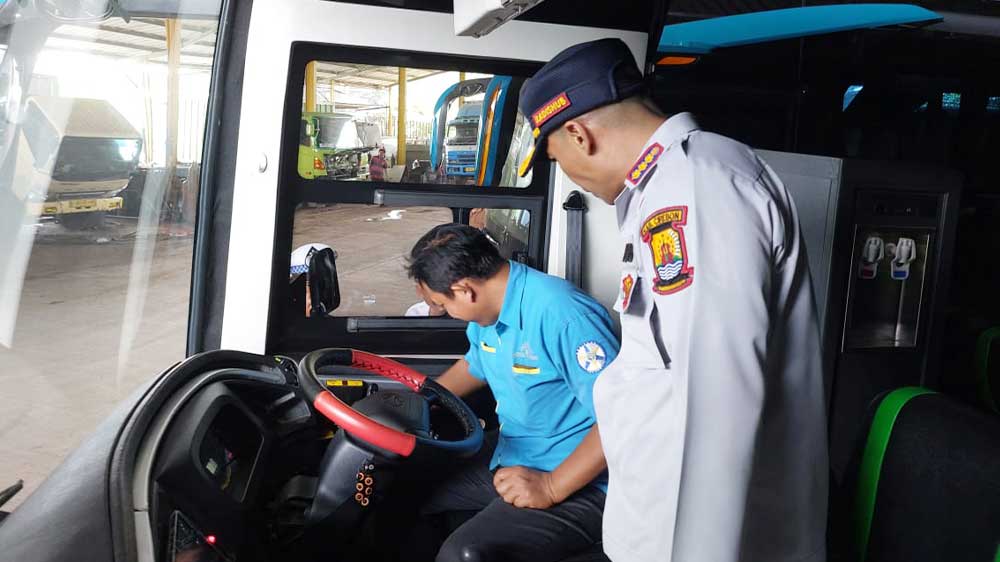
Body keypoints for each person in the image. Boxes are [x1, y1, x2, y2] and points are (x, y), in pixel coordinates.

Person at [516, 38, 828, 562]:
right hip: (656, 514)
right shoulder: (665, 188)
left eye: (556, 159)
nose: (567, 174)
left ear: (578, 133)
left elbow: (715, 401)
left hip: (691, 534)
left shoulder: (697, 187)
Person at [405, 223, 619, 562]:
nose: (449, 314)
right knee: (405, 490)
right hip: (515, 453)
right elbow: (475, 365)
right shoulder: (488, 315)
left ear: (464, 290)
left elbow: (620, 417)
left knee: (462, 553)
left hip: (578, 480)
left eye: (442, 305)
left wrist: (550, 487)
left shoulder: (562, 314)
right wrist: (412, 401)